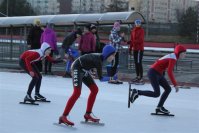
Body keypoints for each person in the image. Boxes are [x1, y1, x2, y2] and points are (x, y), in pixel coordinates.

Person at [59, 45, 116, 126]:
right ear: (107, 54)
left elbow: (88, 60)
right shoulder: (98, 60)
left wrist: (90, 69)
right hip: (76, 68)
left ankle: (88, 114)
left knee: (94, 89)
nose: (114, 57)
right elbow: (101, 78)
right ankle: (63, 116)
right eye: (113, 55)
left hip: (83, 69)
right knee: (77, 93)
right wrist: (112, 77)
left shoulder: (101, 57)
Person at [130, 45, 187, 114]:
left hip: (158, 73)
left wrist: (162, 75)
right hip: (153, 73)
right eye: (184, 53)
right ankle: (137, 92)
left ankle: (159, 108)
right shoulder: (173, 58)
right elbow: (169, 71)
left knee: (168, 89)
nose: (185, 55)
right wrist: (175, 84)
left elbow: (160, 62)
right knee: (156, 93)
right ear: (179, 53)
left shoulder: (173, 56)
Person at [129, 19, 145, 84]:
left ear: (140, 24)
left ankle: (141, 77)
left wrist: (132, 42)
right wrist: (130, 49)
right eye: (137, 23)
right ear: (135, 24)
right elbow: (132, 40)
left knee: (139, 63)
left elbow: (140, 40)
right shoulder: (133, 31)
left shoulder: (141, 31)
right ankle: (137, 76)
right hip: (135, 49)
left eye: (139, 23)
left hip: (139, 49)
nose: (138, 24)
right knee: (136, 63)